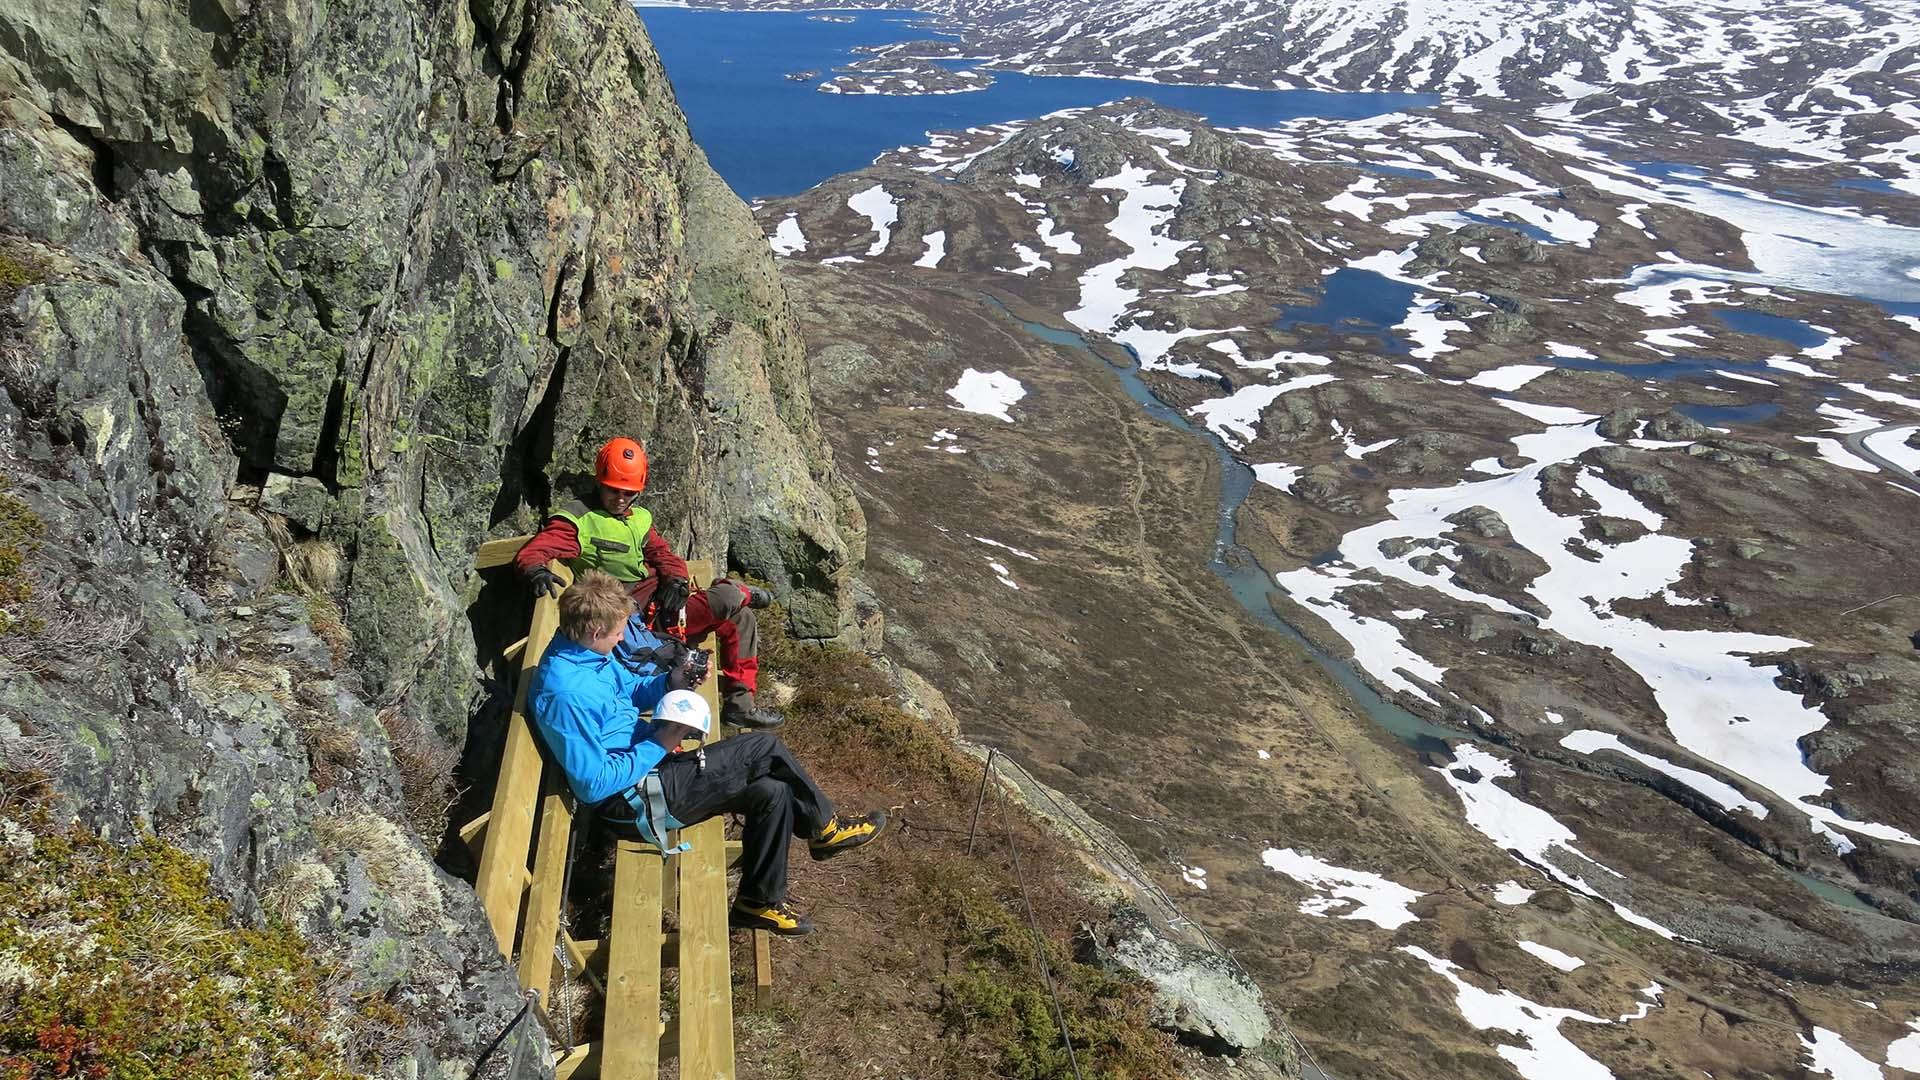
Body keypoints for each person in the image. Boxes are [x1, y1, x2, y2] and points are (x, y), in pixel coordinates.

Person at [527, 570, 889, 935]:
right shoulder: (566, 694)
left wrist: (671, 682)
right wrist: (662, 741)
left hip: (650, 771)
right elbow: (593, 784)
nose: (623, 636)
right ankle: (824, 829)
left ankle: (757, 903)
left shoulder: (587, 655)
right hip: (632, 802)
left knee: (772, 792)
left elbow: (629, 691)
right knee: (762, 747)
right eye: (619, 631)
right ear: (595, 632)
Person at [515, 436, 784, 730]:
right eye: (613, 490)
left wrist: (677, 580)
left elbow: (662, 553)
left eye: (628, 493)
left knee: (741, 619)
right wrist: (536, 570)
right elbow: (538, 548)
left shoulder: (639, 518)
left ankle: (740, 706)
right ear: (599, 482)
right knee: (727, 600)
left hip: (662, 601)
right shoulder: (579, 519)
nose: (620, 499)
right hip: (639, 622)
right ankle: (741, 591)